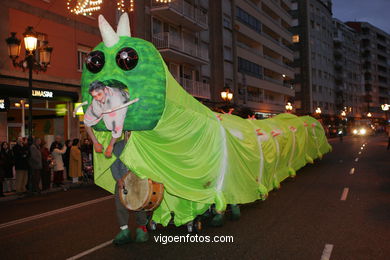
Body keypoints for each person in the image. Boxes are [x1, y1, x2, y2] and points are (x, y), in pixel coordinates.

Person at [84, 81, 138, 158]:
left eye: (99, 94)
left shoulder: (117, 101)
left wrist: (110, 146)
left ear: (105, 90)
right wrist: (95, 142)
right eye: (94, 96)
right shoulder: (96, 102)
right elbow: (86, 123)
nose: (98, 98)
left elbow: (117, 127)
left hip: (122, 101)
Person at [110, 138, 148, 245]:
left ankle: (142, 228)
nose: (130, 132)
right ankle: (124, 230)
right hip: (122, 181)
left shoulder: (142, 143)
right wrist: (118, 179)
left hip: (138, 181)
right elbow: (113, 164)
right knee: (120, 206)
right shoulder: (118, 146)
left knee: (139, 205)